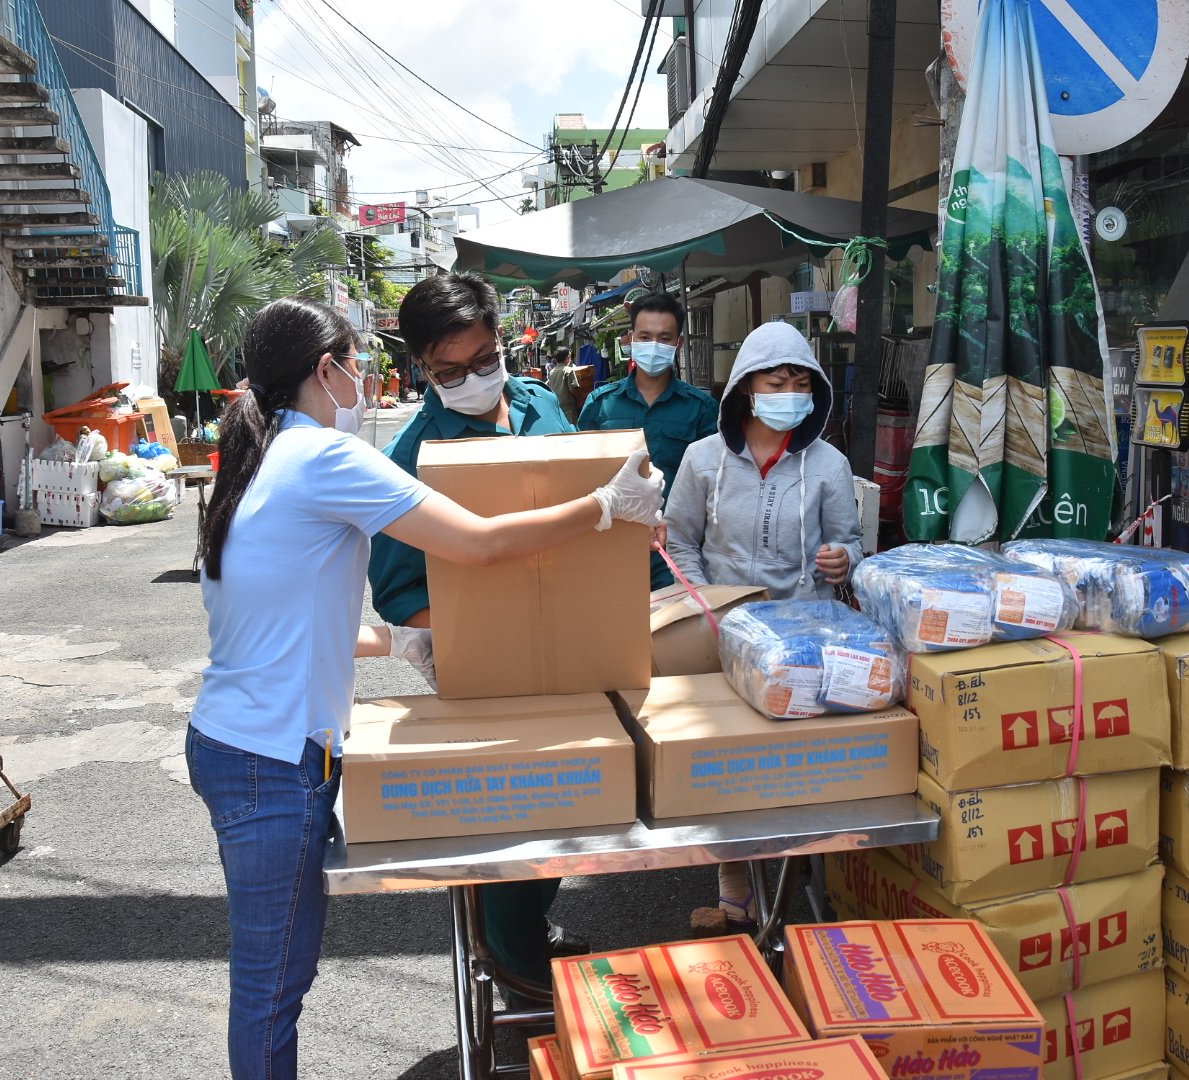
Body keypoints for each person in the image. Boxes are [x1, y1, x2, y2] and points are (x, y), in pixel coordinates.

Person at [188, 295, 663, 1079]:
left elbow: (286, 620)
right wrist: (605, 507)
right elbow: (475, 547)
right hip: (267, 761)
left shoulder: (263, 460)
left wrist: (400, 639)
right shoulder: (323, 457)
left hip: (245, 742)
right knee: (272, 987)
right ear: (325, 371)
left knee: (275, 983)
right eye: (357, 364)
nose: (366, 380)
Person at [366, 271, 593, 996]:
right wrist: (474, 637)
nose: (472, 379)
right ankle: (515, 958)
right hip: (479, 658)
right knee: (517, 807)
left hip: (569, 634)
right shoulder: (415, 453)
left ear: (503, 343)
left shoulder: (542, 405)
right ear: (422, 369)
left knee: (579, 792)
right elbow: (399, 588)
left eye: (484, 360)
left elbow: (587, 498)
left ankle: (528, 926)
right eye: (449, 371)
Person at [662, 320, 862, 926]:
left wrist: (842, 559)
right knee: (733, 764)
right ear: (747, 388)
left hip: (806, 636)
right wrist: (707, 606)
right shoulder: (702, 460)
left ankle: (808, 884)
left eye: (801, 382)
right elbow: (680, 543)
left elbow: (848, 542)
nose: (789, 392)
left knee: (799, 762)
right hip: (726, 634)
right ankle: (734, 891)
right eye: (777, 381)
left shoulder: (828, 463)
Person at [577, 292, 717, 587]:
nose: (654, 345)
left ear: (678, 343)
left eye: (664, 338)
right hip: (611, 545)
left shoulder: (701, 408)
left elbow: (715, 484)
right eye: (645, 336)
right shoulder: (600, 404)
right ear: (631, 339)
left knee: (673, 629)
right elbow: (578, 477)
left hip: (677, 550)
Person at [546, 346, 578, 422]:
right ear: (567, 358)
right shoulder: (569, 371)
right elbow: (574, 390)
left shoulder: (552, 372)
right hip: (568, 410)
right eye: (569, 357)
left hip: (556, 409)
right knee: (570, 432)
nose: (570, 359)